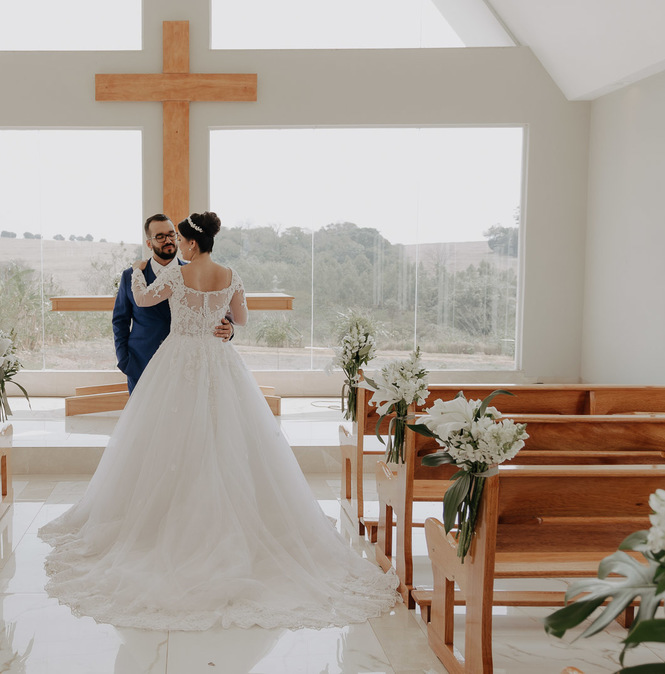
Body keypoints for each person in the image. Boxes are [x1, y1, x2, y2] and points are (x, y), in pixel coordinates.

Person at [40, 211, 399, 631]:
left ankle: (167, 527)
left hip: (178, 361)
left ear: (190, 244)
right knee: (226, 439)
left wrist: (139, 273)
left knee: (175, 440)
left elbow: (143, 299)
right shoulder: (231, 274)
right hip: (220, 362)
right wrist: (224, 321)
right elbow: (242, 318)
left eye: (179, 237)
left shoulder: (177, 275)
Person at [112, 214, 232, 392]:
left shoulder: (197, 273)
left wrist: (230, 329)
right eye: (160, 237)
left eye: (171, 234)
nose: (168, 240)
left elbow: (218, 311)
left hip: (187, 366)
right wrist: (125, 360)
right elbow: (120, 320)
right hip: (141, 363)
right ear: (149, 243)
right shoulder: (131, 275)